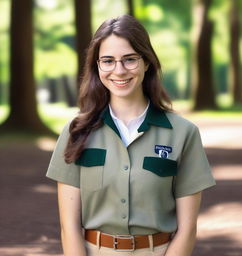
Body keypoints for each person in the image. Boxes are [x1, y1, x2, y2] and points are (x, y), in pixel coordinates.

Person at [46, 14, 215, 256]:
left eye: (129, 59)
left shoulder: (183, 133)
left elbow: (187, 229)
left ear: (147, 62)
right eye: (108, 61)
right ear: (97, 66)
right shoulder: (75, 132)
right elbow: (69, 227)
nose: (119, 70)